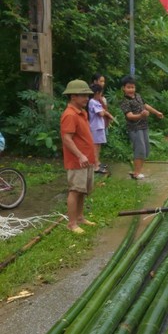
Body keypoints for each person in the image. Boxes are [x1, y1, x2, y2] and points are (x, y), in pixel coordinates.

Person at [60, 80, 96, 234]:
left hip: (86, 159)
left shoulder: (83, 112)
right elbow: (66, 138)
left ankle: (80, 217)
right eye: (83, 95)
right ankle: (72, 223)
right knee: (75, 190)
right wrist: (80, 155)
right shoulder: (69, 115)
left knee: (82, 190)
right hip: (77, 161)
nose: (86, 98)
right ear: (73, 96)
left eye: (87, 95)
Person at [118, 75, 163, 180]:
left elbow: (145, 105)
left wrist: (156, 112)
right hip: (134, 128)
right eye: (128, 87)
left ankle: (137, 171)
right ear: (123, 88)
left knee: (145, 149)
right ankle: (136, 173)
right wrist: (141, 115)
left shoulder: (138, 96)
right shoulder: (125, 102)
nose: (131, 89)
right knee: (140, 149)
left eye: (132, 87)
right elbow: (129, 116)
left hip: (144, 126)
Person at [88, 83, 114, 174]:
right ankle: (95, 166)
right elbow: (101, 113)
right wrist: (105, 112)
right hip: (95, 127)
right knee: (95, 146)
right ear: (97, 93)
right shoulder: (92, 101)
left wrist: (105, 112)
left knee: (98, 145)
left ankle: (97, 162)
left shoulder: (96, 102)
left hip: (99, 126)